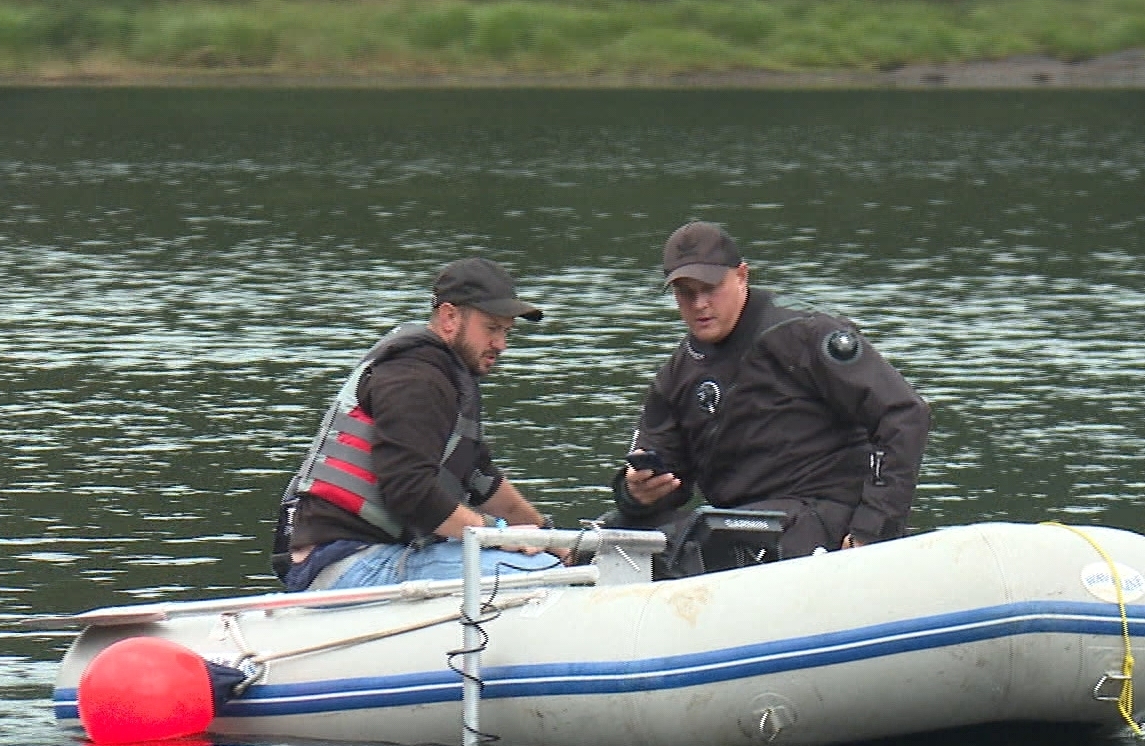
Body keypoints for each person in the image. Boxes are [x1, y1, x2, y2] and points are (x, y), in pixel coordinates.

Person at [610, 221, 930, 568]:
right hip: (735, 522)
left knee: (701, 546)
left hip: (820, 513)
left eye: (711, 288)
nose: (700, 304)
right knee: (610, 537)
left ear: (742, 275)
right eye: (686, 292)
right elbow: (665, 474)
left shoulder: (805, 336)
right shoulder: (677, 373)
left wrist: (873, 529)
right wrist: (636, 493)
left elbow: (904, 414)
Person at [271, 257, 560, 591]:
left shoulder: (443, 377)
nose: (501, 344)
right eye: (492, 328)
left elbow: (481, 481)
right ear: (450, 317)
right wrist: (494, 533)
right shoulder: (414, 378)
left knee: (553, 561)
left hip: (377, 553)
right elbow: (410, 492)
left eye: (506, 331)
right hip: (342, 563)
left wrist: (553, 539)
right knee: (539, 573)